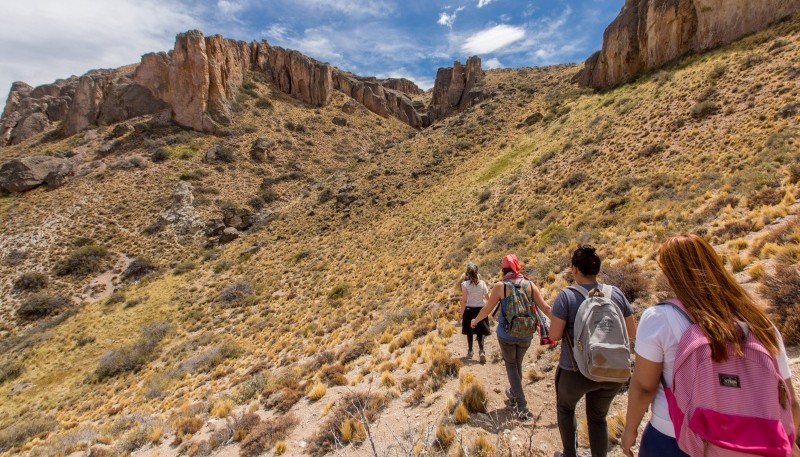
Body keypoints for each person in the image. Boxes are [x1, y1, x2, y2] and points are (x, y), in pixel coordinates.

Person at [621, 234, 800, 457]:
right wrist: (788, 440)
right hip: (754, 442)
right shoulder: (759, 322)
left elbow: (644, 387)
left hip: (675, 438)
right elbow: (788, 397)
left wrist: (630, 430)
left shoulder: (660, 318)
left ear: (671, 274)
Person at [549, 245, 637, 457]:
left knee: (566, 408)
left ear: (574, 269)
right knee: (598, 417)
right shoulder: (615, 294)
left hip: (576, 370)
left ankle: (570, 454)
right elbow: (632, 332)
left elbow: (554, 335)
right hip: (613, 371)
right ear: (597, 269)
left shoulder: (566, 296)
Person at [471, 254, 552, 419]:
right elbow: (545, 308)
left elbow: (487, 309)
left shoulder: (501, 286)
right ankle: (513, 392)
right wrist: (563, 323)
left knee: (511, 366)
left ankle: (521, 404)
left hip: (506, 334)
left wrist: (475, 321)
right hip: (526, 334)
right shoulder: (530, 285)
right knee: (518, 364)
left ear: (503, 269)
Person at [460, 262, 490, 362]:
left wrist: (460, 316)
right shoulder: (482, 283)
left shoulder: (464, 284)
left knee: (469, 332)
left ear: (467, 274)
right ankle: (481, 351)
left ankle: (470, 350)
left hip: (469, 310)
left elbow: (464, 301)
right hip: (480, 310)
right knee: (480, 332)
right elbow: (488, 298)